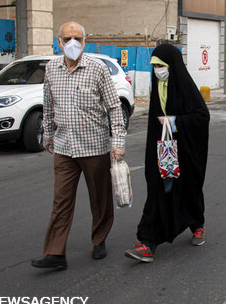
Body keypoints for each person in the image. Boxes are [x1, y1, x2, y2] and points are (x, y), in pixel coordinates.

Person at [31, 21, 126, 270]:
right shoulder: (52, 68)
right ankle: (55, 253)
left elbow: (114, 107)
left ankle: (99, 239)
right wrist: (48, 135)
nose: (72, 43)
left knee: (100, 199)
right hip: (63, 147)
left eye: (78, 38)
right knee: (60, 201)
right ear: (59, 42)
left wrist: (117, 142)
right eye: (67, 38)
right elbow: (48, 104)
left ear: (85, 42)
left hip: (94, 146)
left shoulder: (97, 68)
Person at [124, 43, 210, 263]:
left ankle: (196, 225)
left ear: (172, 65)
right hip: (163, 149)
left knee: (189, 190)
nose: (157, 70)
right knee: (157, 190)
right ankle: (147, 241)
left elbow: (202, 116)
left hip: (187, 150)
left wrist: (174, 121)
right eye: (154, 66)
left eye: (161, 65)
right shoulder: (157, 85)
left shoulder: (185, 86)